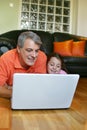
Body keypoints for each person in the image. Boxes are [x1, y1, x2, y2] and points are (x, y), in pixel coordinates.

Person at [0, 31, 47, 98]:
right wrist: (22, 94)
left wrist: (10, 88)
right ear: (19, 49)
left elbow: (40, 86)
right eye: (29, 50)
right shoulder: (5, 59)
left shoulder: (41, 57)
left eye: (36, 51)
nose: (34, 55)